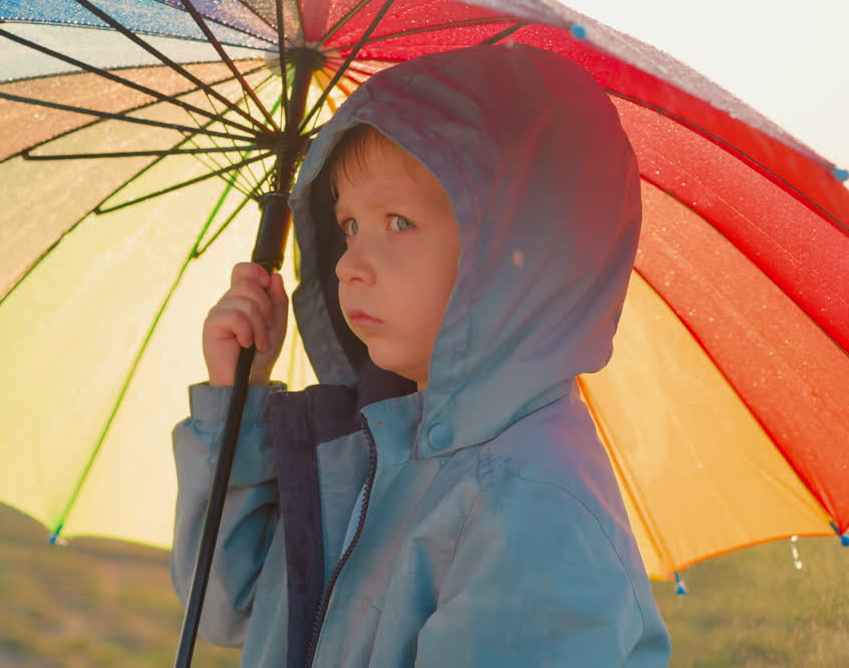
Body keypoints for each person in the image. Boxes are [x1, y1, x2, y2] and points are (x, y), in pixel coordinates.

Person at [170, 43, 672, 667]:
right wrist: (236, 400)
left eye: (398, 222)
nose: (350, 264)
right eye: (349, 226)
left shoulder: (534, 513)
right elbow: (229, 605)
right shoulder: (370, 447)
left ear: (509, 251)